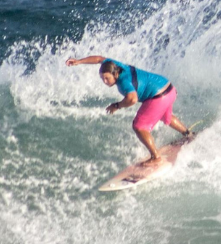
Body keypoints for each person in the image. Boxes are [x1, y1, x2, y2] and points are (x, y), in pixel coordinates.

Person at [65, 55, 194, 166]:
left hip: (158, 97)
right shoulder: (115, 65)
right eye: (102, 79)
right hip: (169, 89)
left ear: (115, 74)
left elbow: (132, 99)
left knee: (139, 126)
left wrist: (117, 106)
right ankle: (188, 135)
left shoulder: (123, 82)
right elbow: (99, 59)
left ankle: (156, 157)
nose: (105, 81)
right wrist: (79, 61)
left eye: (107, 78)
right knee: (165, 116)